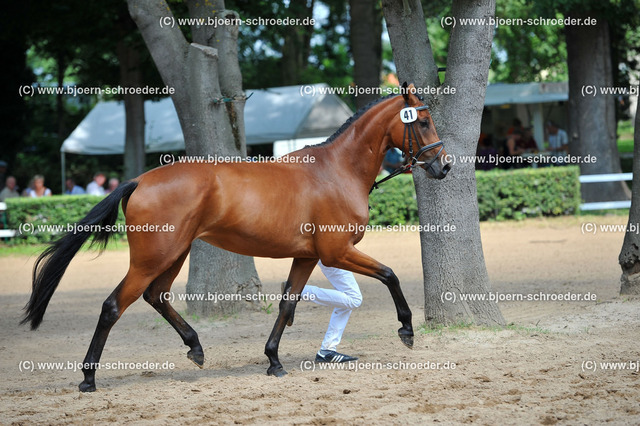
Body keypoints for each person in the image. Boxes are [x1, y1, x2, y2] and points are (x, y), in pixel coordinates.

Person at [286, 261, 362, 363]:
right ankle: (298, 291)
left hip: (334, 252)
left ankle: (327, 350)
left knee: (345, 300)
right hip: (333, 252)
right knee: (354, 298)